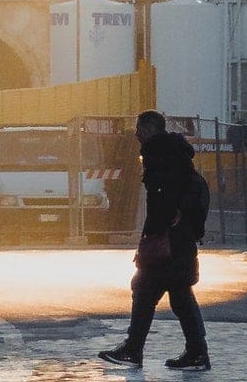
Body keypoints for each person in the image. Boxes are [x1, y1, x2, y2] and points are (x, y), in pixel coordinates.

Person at [99, 109, 209, 372]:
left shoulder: (159, 154)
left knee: (145, 289)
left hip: (168, 242)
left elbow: (161, 201)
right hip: (178, 241)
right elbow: (192, 187)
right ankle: (195, 353)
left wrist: (151, 237)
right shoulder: (174, 154)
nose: (136, 134)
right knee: (180, 296)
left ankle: (134, 350)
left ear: (148, 129)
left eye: (139, 128)